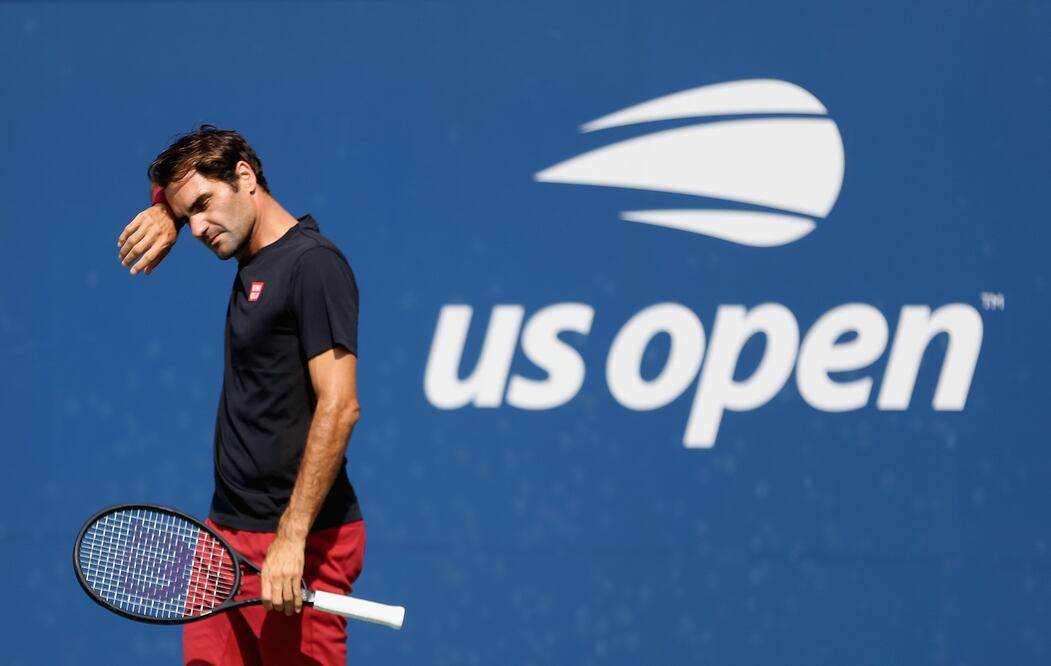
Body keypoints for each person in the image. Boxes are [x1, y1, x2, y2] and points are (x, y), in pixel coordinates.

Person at [118, 126, 366, 665]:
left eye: (204, 205)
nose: (199, 228)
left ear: (246, 178)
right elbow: (197, 169)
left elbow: (341, 405)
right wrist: (167, 210)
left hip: (301, 545)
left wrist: (291, 539)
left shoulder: (313, 265)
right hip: (222, 541)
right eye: (190, 218)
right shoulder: (251, 258)